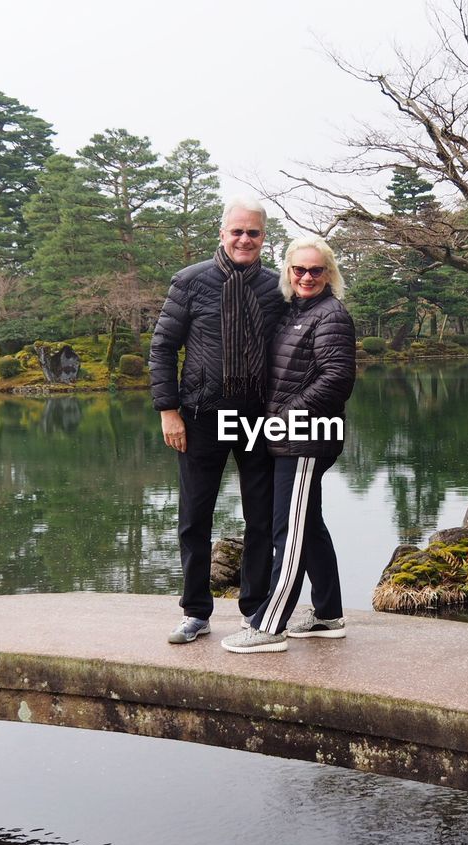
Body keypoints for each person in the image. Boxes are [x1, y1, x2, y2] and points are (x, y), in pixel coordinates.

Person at [149, 198, 286, 645]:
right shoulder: (190, 282)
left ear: (264, 237)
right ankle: (195, 611)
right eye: (237, 232)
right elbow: (163, 348)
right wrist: (169, 411)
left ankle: (255, 609)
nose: (245, 239)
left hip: (257, 416)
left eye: (254, 233)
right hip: (202, 415)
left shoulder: (275, 286)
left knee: (261, 517)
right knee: (194, 518)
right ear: (222, 233)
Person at [221, 236, 356, 654]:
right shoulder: (295, 311)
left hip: (305, 438)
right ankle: (329, 614)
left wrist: (283, 416)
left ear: (329, 273)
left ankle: (269, 625)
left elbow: (337, 379)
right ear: (288, 272)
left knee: (289, 530)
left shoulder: (330, 315)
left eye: (316, 270)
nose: (307, 277)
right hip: (289, 435)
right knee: (308, 524)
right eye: (299, 270)